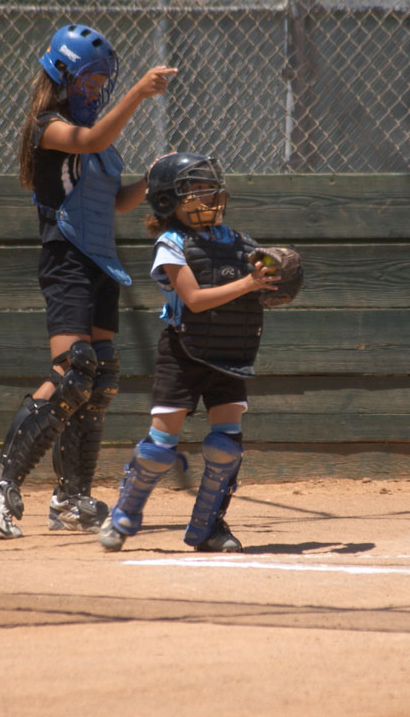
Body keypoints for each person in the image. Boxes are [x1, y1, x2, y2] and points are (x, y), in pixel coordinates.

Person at [0, 23, 177, 539]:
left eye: (102, 81)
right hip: (67, 259)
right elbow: (93, 139)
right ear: (62, 76)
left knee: (100, 378)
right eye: (88, 80)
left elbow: (116, 201)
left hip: (100, 263)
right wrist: (139, 93)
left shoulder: (97, 135)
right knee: (72, 371)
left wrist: (153, 178)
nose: (96, 90)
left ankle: (71, 499)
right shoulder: (48, 126)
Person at [98, 151, 279, 553]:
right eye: (193, 190)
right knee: (159, 448)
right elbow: (194, 300)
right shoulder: (172, 243)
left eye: (209, 188)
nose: (206, 196)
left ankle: (209, 527)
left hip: (229, 351)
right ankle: (125, 512)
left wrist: (276, 280)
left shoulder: (241, 243)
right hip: (183, 350)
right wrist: (249, 284)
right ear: (167, 200)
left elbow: (259, 289)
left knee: (226, 447)